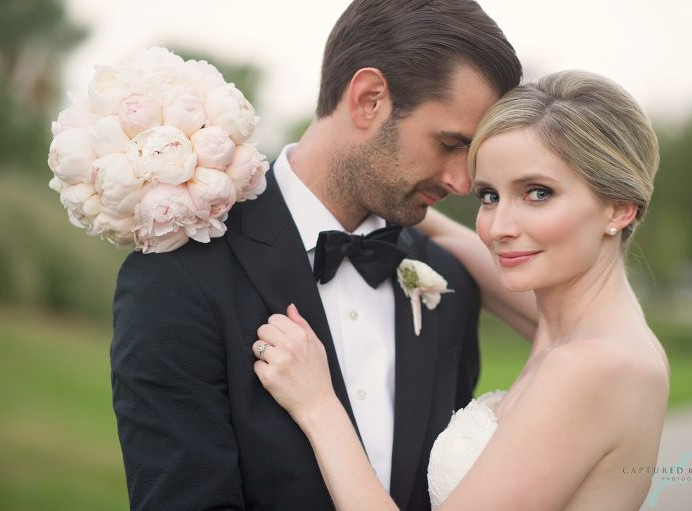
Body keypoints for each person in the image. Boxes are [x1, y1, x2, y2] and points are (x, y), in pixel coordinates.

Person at [111, 1, 535, 510]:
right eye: (448, 143)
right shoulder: (179, 274)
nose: (462, 182)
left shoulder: (449, 285)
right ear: (368, 99)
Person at [252, 70, 670, 510]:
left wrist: (320, 407)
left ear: (620, 208)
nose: (498, 228)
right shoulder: (577, 324)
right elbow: (451, 236)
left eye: (538, 193)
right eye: (489, 196)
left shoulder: (590, 367)